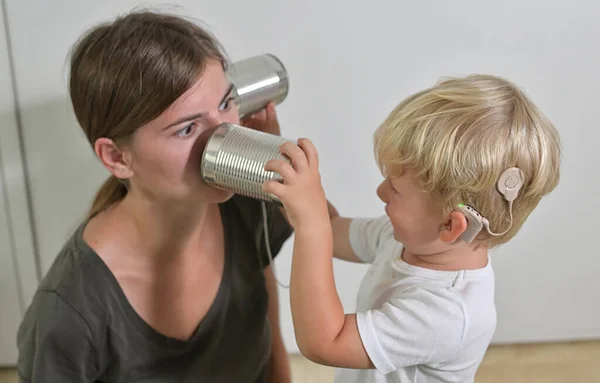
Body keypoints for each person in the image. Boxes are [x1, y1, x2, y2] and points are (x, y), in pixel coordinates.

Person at [16, 10, 294, 383]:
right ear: (117, 157)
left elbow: (268, 328)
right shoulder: (69, 312)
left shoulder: (244, 201)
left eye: (226, 104)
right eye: (188, 128)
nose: (226, 136)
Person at [264, 74, 562, 382]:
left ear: (450, 225)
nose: (380, 192)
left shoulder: (446, 313)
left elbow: (325, 342)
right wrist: (279, 160)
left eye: (394, 187)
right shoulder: (406, 239)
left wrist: (311, 225)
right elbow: (334, 229)